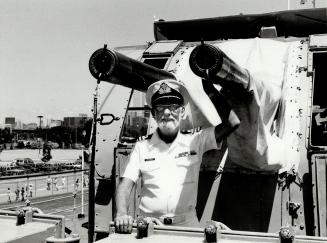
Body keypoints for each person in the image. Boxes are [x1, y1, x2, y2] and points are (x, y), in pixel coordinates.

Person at [114, 79, 240, 233]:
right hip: (149, 225)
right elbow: (125, 185)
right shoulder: (142, 147)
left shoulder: (196, 141)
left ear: (181, 112)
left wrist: (210, 90)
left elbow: (232, 122)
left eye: (173, 107)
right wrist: (121, 214)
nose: (167, 113)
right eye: (160, 108)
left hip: (187, 226)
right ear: (154, 114)